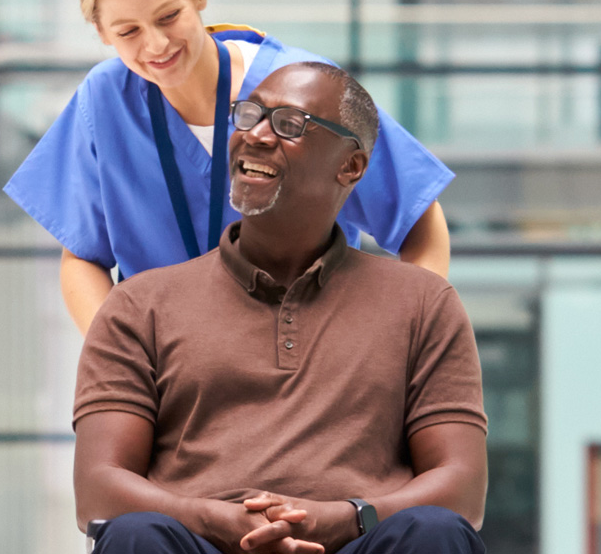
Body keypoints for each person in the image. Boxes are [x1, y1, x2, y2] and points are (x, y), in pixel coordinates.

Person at [73, 62, 487, 554]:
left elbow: (463, 488)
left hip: (357, 541)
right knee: (133, 536)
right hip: (199, 543)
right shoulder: (139, 305)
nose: (255, 135)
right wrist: (211, 518)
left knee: (436, 532)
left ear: (351, 166)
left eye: (289, 124)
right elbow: (97, 489)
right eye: (248, 115)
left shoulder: (423, 303)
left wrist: (343, 518)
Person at [3, 0, 456, 335]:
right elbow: (83, 257)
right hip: (167, 381)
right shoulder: (103, 102)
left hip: (305, 374)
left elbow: (419, 221)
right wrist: (120, 359)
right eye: (128, 31)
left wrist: (399, 340)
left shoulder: (305, 89)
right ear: (101, 32)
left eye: (168, 16)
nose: (156, 45)